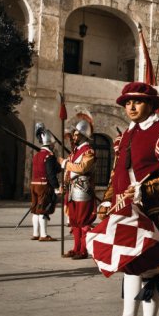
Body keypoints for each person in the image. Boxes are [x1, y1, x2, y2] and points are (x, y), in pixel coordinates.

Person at [92, 82, 159, 316]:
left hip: (150, 212)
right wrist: (107, 202)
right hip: (124, 210)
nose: (130, 107)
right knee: (129, 265)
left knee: (149, 270)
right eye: (127, 103)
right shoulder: (125, 136)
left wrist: (146, 187)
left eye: (137, 102)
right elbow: (116, 174)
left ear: (151, 104)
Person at [61, 111, 97, 260]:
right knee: (74, 221)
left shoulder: (88, 151)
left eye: (76, 134)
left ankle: (83, 250)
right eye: (74, 134)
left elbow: (82, 168)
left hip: (83, 189)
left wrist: (65, 163)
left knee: (83, 222)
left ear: (83, 135)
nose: (74, 137)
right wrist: (63, 184)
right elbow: (68, 171)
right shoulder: (74, 152)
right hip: (73, 189)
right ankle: (75, 248)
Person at [30, 124, 61, 242]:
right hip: (44, 186)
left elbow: (52, 169)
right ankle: (43, 235)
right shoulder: (49, 156)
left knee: (35, 210)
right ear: (50, 144)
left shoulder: (37, 155)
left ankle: (35, 233)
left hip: (34, 184)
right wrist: (56, 187)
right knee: (43, 209)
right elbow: (51, 174)